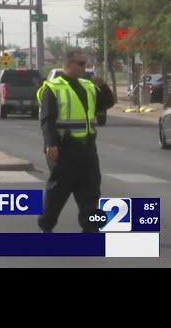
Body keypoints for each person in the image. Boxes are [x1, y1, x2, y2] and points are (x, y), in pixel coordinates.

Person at [36, 50, 115, 233]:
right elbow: (47, 119)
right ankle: (46, 226)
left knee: (91, 191)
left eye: (85, 64)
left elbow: (106, 103)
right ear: (68, 65)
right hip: (65, 149)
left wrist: (103, 87)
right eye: (80, 64)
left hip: (87, 148)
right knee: (58, 192)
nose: (83, 67)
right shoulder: (53, 88)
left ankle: (90, 229)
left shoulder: (87, 86)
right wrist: (51, 144)